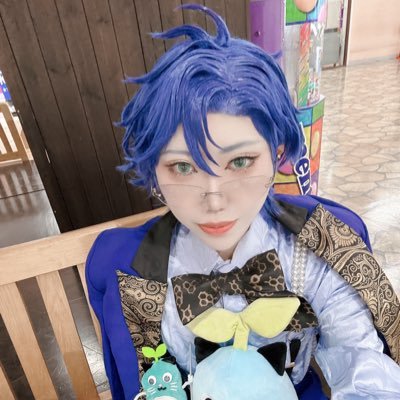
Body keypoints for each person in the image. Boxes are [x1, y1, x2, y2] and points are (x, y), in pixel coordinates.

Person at [86, 5, 400, 400]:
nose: (214, 200)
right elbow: (151, 383)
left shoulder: (317, 250)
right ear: (154, 170)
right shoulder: (137, 275)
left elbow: (362, 364)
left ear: (277, 153)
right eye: (183, 167)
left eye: (240, 162)